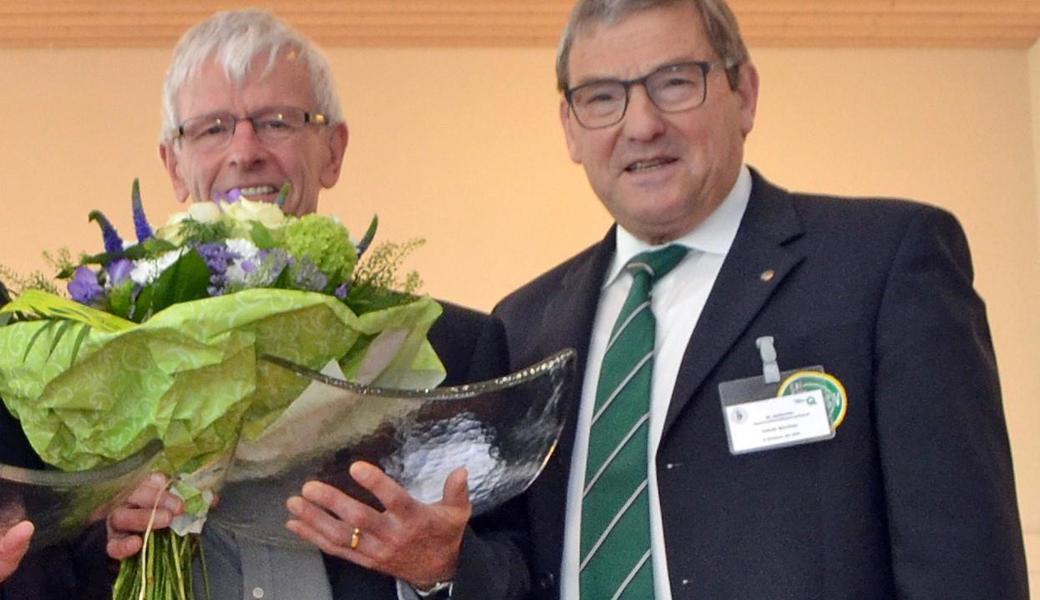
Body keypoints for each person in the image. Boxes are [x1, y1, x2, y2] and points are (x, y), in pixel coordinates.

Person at [490, 0, 1030, 598]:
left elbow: (963, 561)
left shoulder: (885, 265)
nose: (640, 124)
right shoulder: (521, 327)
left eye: (674, 83)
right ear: (570, 127)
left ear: (743, 93)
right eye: (601, 98)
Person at [97, 9, 525, 600]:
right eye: (213, 128)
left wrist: (440, 568)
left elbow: (525, 571)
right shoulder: (100, 362)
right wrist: (99, 523)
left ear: (333, 150)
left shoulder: (452, 349)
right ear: (174, 164)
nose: (245, 150)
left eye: (277, 122)